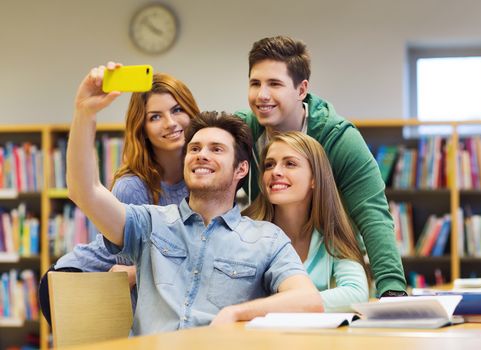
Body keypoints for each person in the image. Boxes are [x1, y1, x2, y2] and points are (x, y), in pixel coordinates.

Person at [65, 62, 323, 334]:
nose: (202, 155)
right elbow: (84, 191)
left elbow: (308, 301)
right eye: (195, 148)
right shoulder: (149, 223)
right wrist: (85, 113)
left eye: (216, 149)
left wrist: (236, 313)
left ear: (241, 169)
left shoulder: (267, 239)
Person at [235, 36, 407, 297]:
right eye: (255, 83)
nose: (262, 95)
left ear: (302, 90)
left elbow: (372, 214)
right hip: (267, 252)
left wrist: (393, 290)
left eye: (275, 84)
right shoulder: (242, 131)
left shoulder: (340, 139)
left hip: (325, 257)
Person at [38, 72, 201, 325]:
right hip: (84, 279)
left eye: (177, 109)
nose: (170, 122)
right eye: (155, 117)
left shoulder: (202, 178)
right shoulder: (132, 187)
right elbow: (127, 274)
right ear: (143, 129)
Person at [243, 131, 369, 312]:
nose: (276, 172)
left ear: (315, 179)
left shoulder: (333, 234)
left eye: (290, 164)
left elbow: (356, 294)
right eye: (269, 165)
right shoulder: (244, 232)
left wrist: (278, 306)